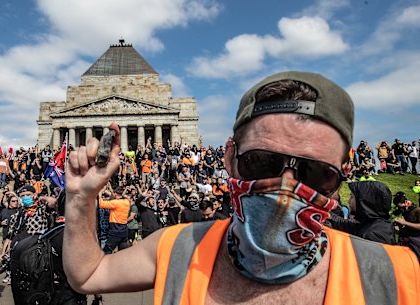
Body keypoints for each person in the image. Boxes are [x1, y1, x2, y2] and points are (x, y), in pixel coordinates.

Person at [63, 71, 419, 304]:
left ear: (342, 175)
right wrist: (81, 200)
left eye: (315, 173)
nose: (286, 188)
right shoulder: (177, 248)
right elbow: (88, 274)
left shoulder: (401, 277)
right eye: (262, 162)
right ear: (231, 157)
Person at [329, 181, 395, 244]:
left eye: (352, 197)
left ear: (365, 202)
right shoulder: (372, 222)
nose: (349, 201)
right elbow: (344, 224)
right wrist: (326, 214)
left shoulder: (374, 236)